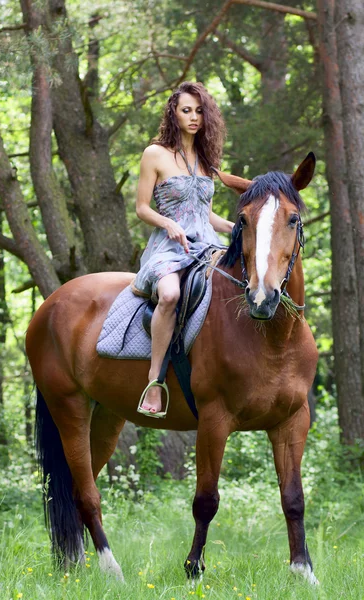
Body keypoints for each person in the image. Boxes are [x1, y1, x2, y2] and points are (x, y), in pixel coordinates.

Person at [133, 81, 234, 418]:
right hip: (169, 247)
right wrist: (167, 223)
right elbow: (142, 207)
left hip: (207, 246)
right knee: (170, 295)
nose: (193, 117)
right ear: (173, 114)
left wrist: (237, 229)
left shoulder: (206, 161)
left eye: (199, 111)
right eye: (186, 110)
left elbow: (204, 214)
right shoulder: (155, 154)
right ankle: (155, 381)